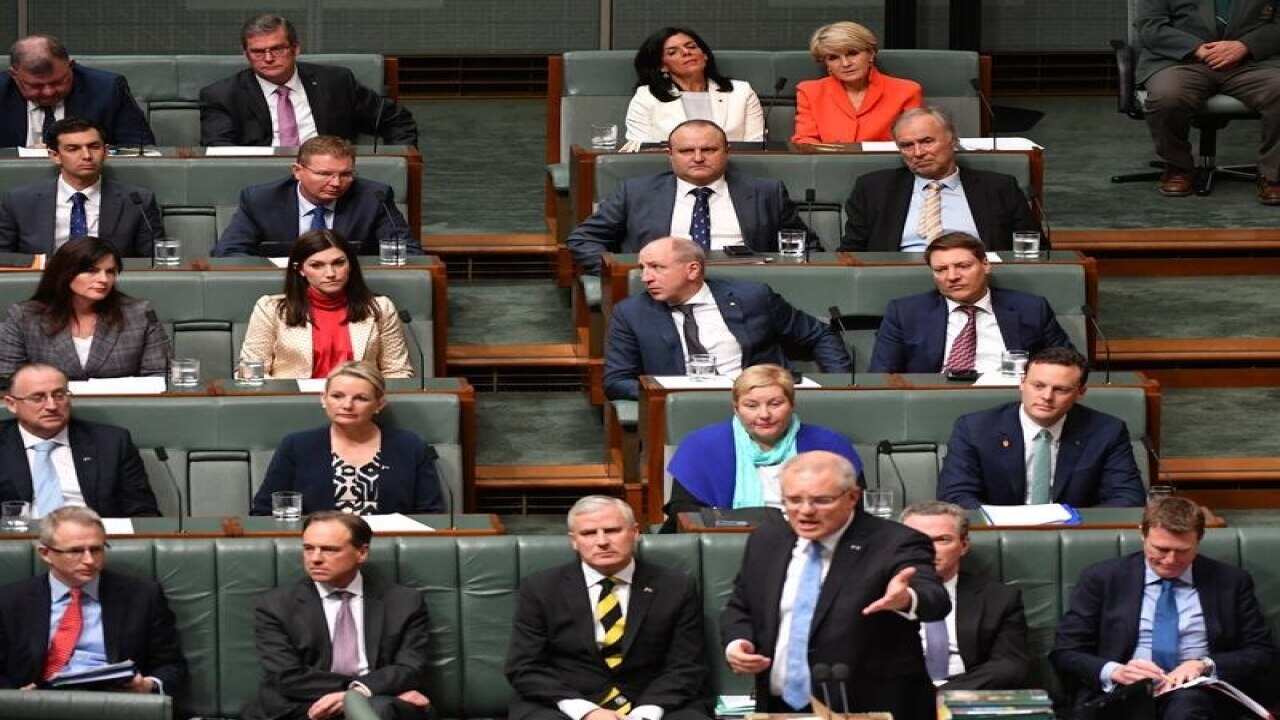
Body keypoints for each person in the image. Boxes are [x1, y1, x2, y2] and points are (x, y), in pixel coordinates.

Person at [721, 450, 949, 720]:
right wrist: (738, 642)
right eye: (793, 500)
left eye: (821, 500)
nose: (805, 511)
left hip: (871, 709)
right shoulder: (767, 539)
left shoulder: (896, 541)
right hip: (780, 708)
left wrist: (907, 598)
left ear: (852, 497)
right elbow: (741, 604)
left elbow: (934, 597)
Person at [1051, 496, 1278, 718]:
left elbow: (1261, 652)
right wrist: (1116, 671)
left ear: (1199, 540)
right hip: (1124, 692)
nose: (1170, 560)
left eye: (1182, 551)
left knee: (1187, 704)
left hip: (1197, 693)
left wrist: (1205, 665)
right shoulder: (1102, 578)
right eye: (1160, 549)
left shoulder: (1231, 581)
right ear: (1143, 534)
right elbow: (1065, 651)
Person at [505, 495, 712, 720]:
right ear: (573, 541)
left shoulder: (676, 587)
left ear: (635, 532)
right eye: (588, 533)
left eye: (612, 530)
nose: (602, 541)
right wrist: (586, 712)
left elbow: (687, 665)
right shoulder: (540, 588)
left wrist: (646, 713)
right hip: (567, 703)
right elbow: (525, 666)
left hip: (652, 701)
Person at [603, 237, 850, 400]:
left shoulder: (753, 297)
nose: (646, 277)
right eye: (643, 268)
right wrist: (665, 392)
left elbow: (820, 334)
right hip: (687, 409)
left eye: (657, 267)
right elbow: (616, 381)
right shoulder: (631, 313)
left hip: (762, 403)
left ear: (692, 270)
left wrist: (837, 387)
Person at [242, 511, 433, 720]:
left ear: (362, 552)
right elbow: (287, 676)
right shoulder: (275, 605)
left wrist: (359, 695)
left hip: (377, 706)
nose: (315, 558)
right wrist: (358, 691)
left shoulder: (404, 602)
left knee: (383, 710)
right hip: (304, 707)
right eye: (308, 548)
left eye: (329, 550)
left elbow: (410, 667)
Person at [568, 119, 814, 274]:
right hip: (662, 290)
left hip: (745, 285)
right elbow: (582, 240)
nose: (698, 158)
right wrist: (629, 272)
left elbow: (806, 245)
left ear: (726, 152)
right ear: (670, 154)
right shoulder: (635, 192)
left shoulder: (766, 192)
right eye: (686, 150)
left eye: (708, 149)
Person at [0, 507, 185, 693]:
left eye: (96, 550)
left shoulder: (143, 596)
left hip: (114, 703)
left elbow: (171, 665)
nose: (89, 560)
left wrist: (147, 685)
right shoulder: (10, 601)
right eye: (76, 551)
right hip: (36, 706)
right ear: (45, 553)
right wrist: (15, 697)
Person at [937, 347, 1147, 509]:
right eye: (1038, 386)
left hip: (1073, 535)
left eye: (1061, 389)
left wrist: (1075, 524)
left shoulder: (1107, 431)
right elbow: (955, 496)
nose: (1047, 397)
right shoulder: (975, 428)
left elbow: (1127, 498)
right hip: (998, 534)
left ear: (1080, 392)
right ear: (1022, 383)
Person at [662, 364, 863, 532]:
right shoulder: (702, 446)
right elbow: (684, 516)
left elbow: (855, 509)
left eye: (775, 404)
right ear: (736, 408)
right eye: (751, 405)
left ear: (792, 404)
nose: (764, 414)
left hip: (813, 540)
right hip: (725, 544)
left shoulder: (830, 446)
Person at [251, 362, 443, 516]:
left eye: (361, 398)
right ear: (323, 399)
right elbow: (264, 511)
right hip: (319, 552)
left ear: (379, 404)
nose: (347, 405)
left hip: (393, 550)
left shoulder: (410, 446)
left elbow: (431, 514)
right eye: (337, 396)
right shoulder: (296, 446)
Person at [1136, 0, 1280, 202]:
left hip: (1253, 61)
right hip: (1182, 60)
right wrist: (1199, 49)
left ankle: (1273, 174)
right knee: (1167, 96)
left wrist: (1244, 46)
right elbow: (1150, 26)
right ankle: (1178, 168)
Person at [867, 232, 1073, 374]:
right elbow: (881, 376)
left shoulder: (1031, 308)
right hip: (935, 401)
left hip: (1012, 401)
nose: (952, 276)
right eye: (941, 270)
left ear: (985, 265)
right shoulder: (905, 312)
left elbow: (1068, 364)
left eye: (963, 266)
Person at [200, 14, 418, 147]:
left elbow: (396, 121)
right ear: (246, 55)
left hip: (331, 178)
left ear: (295, 48)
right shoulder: (223, 95)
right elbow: (219, 148)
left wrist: (396, 163)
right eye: (257, 52)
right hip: (261, 184)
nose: (268, 58)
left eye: (277, 49)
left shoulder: (336, 82)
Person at [840, 107, 1039, 252]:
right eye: (907, 145)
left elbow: (1034, 247)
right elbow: (851, 252)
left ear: (953, 140)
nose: (918, 153)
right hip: (899, 281)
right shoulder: (874, 188)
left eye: (927, 141)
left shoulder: (999, 187)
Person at [239, 229, 413, 379]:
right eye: (317, 265)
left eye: (338, 263)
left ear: (350, 265)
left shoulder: (380, 308)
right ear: (300, 269)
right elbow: (250, 372)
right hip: (293, 404)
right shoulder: (270, 309)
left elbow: (398, 371)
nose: (330, 273)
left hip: (357, 406)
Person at [214, 134, 419, 257]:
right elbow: (230, 253)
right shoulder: (261, 199)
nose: (336, 183)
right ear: (297, 171)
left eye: (346, 174)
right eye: (324, 174)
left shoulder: (374, 197)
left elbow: (407, 252)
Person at [0, 363, 159, 518]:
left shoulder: (111, 442)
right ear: (12, 404)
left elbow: (143, 511)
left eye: (59, 395)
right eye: (38, 397)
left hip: (93, 538)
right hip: (19, 538)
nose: (52, 406)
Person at [0, 237, 171, 380]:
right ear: (64, 273)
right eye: (91, 271)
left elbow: (158, 377)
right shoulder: (24, 317)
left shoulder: (139, 314)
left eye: (110, 271)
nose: (103, 279)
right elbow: (8, 380)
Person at [899, 501, 1030, 690]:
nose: (928, 549)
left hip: (967, 692)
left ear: (964, 545)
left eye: (942, 540)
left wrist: (941, 695)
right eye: (916, 539)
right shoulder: (873, 594)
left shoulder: (1000, 598)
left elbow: (1009, 665)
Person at [0, 117, 164, 257]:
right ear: (55, 156)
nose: (86, 156)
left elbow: (153, 261)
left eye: (94, 147)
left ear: (105, 152)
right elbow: (4, 259)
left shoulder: (137, 201)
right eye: (73, 149)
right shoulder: (19, 201)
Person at [0, 34, 154, 148]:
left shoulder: (107, 88)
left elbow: (139, 148)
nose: (49, 92)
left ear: (71, 65)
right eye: (36, 86)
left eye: (58, 82)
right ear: (14, 75)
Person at [791, 21, 922, 145]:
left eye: (852, 53)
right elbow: (805, 141)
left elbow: (914, 141)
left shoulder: (907, 91)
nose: (845, 64)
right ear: (826, 64)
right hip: (829, 165)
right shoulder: (810, 92)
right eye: (833, 57)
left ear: (871, 54)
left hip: (887, 165)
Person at [625, 27, 763, 144]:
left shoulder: (741, 92)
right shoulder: (647, 96)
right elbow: (639, 148)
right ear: (662, 66)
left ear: (705, 55)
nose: (686, 52)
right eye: (673, 52)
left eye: (691, 46)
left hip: (734, 171)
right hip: (670, 173)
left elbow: (756, 146)